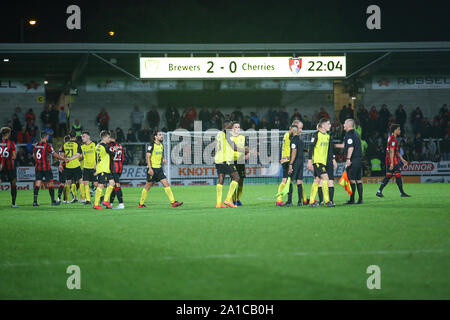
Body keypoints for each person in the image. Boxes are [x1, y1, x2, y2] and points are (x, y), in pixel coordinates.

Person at [138, 131, 183, 208]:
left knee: (166, 183)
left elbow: (160, 154)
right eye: (159, 135)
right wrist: (150, 169)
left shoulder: (161, 145)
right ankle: (141, 204)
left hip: (159, 169)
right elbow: (148, 157)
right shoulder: (151, 145)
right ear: (155, 137)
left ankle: (173, 202)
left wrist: (163, 159)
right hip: (152, 169)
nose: (161, 136)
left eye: (161, 135)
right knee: (148, 186)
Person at [214, 120, 246, 208]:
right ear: (227, 126)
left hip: (218, 159)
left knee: (221, 179)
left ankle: (218, 203)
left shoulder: (219, 134)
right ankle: (228, 199)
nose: (232, 127)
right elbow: (234, 148)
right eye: (231, 125)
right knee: (236, 177)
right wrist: (246, 150)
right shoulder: (227, 134)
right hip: (226, 160)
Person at [376, 124, 411, 198]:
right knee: (398, 175)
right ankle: (402, 193)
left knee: (388, 176)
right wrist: (392, 163)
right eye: (398, 129)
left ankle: (379, 191)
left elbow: (396, 151)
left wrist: (403, 160)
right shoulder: (393, 140)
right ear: (395, 131)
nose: (400, 131)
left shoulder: (390, 138)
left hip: (389, 160)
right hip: (393, 161)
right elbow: (392, 151)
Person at [33, 131, 67, 206]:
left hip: (38, 167)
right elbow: (55, 155)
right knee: (50, 183)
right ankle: (52, 201)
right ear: (46, 137)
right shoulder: (47, 146)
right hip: (46, 167)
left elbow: (34, 155)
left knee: (38, 183)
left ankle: (35, 201)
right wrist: (64, 159)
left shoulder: (36, 145)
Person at [307, 118, 335, 207]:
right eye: (328, 124)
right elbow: (310, 148)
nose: (330, 125)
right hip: (318, 162)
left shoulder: (327, 136)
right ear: (323, 125)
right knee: (326, 178)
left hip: (323, 162)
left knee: (317, 180)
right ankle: (327, 201)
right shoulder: (316, 135)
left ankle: (311, 201)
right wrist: (309, 161)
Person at [335, 119, 364, 204]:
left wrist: (348, 159)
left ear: (348, 125)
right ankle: (360, 199)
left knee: (351, 180)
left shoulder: (349, 134)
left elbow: (350, 148)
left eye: (344, 123)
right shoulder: (356, 134)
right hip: (359, 159)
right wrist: (333, 145)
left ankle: (352, 200)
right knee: (358, 179)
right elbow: (345, 145)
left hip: (353, 159)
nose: (343, 125)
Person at [93, 130, 117, 210]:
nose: (109, 139)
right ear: (104, 137)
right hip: (103, 168)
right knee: (101, 186)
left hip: (103, 168)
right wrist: (115, 149)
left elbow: (96, 158)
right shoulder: (105, 146)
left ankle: (105, 201)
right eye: (108, 137)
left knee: (112, 183)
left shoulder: (97, 146)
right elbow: (112, 154)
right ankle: (96, 204)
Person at [283, 123, 305, 207]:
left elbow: (294, 152)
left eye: (291, 130)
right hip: (301, 162)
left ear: (293, 131)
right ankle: (300, 201)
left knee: (290, 181)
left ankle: (289, 201)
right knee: (299, 182)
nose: (290, 132)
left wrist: (291, 164)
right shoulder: (300, 140)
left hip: (295, 163)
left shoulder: (293, 140)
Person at [231, 122, 249, 206]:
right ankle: (233, 200)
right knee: (234, 180)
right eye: (235, 127)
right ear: (232, 129)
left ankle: (238, 199)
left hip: (241, 161)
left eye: (238, 127)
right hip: (232, 161)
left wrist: (247, 154)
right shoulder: (229, 138)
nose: (237, 128)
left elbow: (247, 148)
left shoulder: (243, 138)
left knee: (241, 181)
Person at [62, 131, 84, 203]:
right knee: (80, 181)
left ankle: (66, 199)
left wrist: (62, 162)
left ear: (69, 136)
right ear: (75, 136)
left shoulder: (65, 144)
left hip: (68, 166)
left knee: (68, 182)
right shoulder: (77, 144)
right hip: (76, 165)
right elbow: (79, 155)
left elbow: (62, 155)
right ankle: (82, 198)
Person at [0, 127, 18, 208]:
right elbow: (14, 156)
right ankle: (13, 204)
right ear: (7, 134)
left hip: (1, 166)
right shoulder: (11, 143)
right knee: (13, 184)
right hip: (10, 166)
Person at [79, 131, 98, 205]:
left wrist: (97, 164)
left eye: (83, 136)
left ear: (88, 137)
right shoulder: (82, 147)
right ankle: (88, 200)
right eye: (81, 137)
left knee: (96, 184)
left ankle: (101, 196)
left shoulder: (95, 144)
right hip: (86, 167)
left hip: (94, 167)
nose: (82, 138)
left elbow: (98, 155)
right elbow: (80, 156)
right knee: (85, 183)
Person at [109, 131, 125, 209]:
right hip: (120, 167)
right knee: (114, 185)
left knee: (116, 185)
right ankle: (111, 203)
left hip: (113, 168)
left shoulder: (109, 146)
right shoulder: (120, 146)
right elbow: (123, 158)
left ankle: (121, 203)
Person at [57, 135, 71, 203]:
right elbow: (61, 157)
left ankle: (60, 198)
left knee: (63, 183)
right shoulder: (68, 147)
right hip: (65, 166)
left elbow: (59, 157)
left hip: (62, 166)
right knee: (66, 183)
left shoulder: (61, 147)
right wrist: (61, 164)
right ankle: (65, 198)